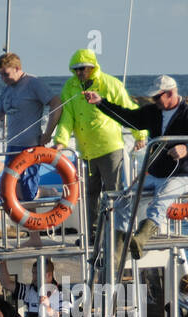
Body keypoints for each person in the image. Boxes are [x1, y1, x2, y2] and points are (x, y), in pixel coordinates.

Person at [83, 75, 188, 259]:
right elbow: (127, 118)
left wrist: (187, 148)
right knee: (123, 201)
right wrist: (100, 103)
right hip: (153, 174)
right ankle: (117, 253)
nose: (154, 101)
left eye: (157, 97)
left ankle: (140, 239)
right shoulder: (152, 111)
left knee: (160, 203)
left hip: (181, 176)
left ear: (170, 93)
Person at [51, 49, 146, 244]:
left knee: (115, 193)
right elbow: (67, 118)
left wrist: (140, 134)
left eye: (83, 69)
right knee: (90, 195)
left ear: (92, 67)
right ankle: (93, 236)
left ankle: (119, 235)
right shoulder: (70, 88)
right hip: (85, 151)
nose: (79, 73)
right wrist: (60, 142)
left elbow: (128, 109)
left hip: (109, 148)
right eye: (76, 70)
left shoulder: (110, 84)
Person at [0, 53, 62, 204]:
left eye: (6, 74)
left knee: (28, 194)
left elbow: (56, 103)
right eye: (0, 75)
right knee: (10, 190)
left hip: (31, 148)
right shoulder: (6, 90)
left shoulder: (33, 83)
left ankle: (46, 191)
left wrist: (48, 133)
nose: (3, 79)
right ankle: (19, 224)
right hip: (12, 148)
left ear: (17, 68)